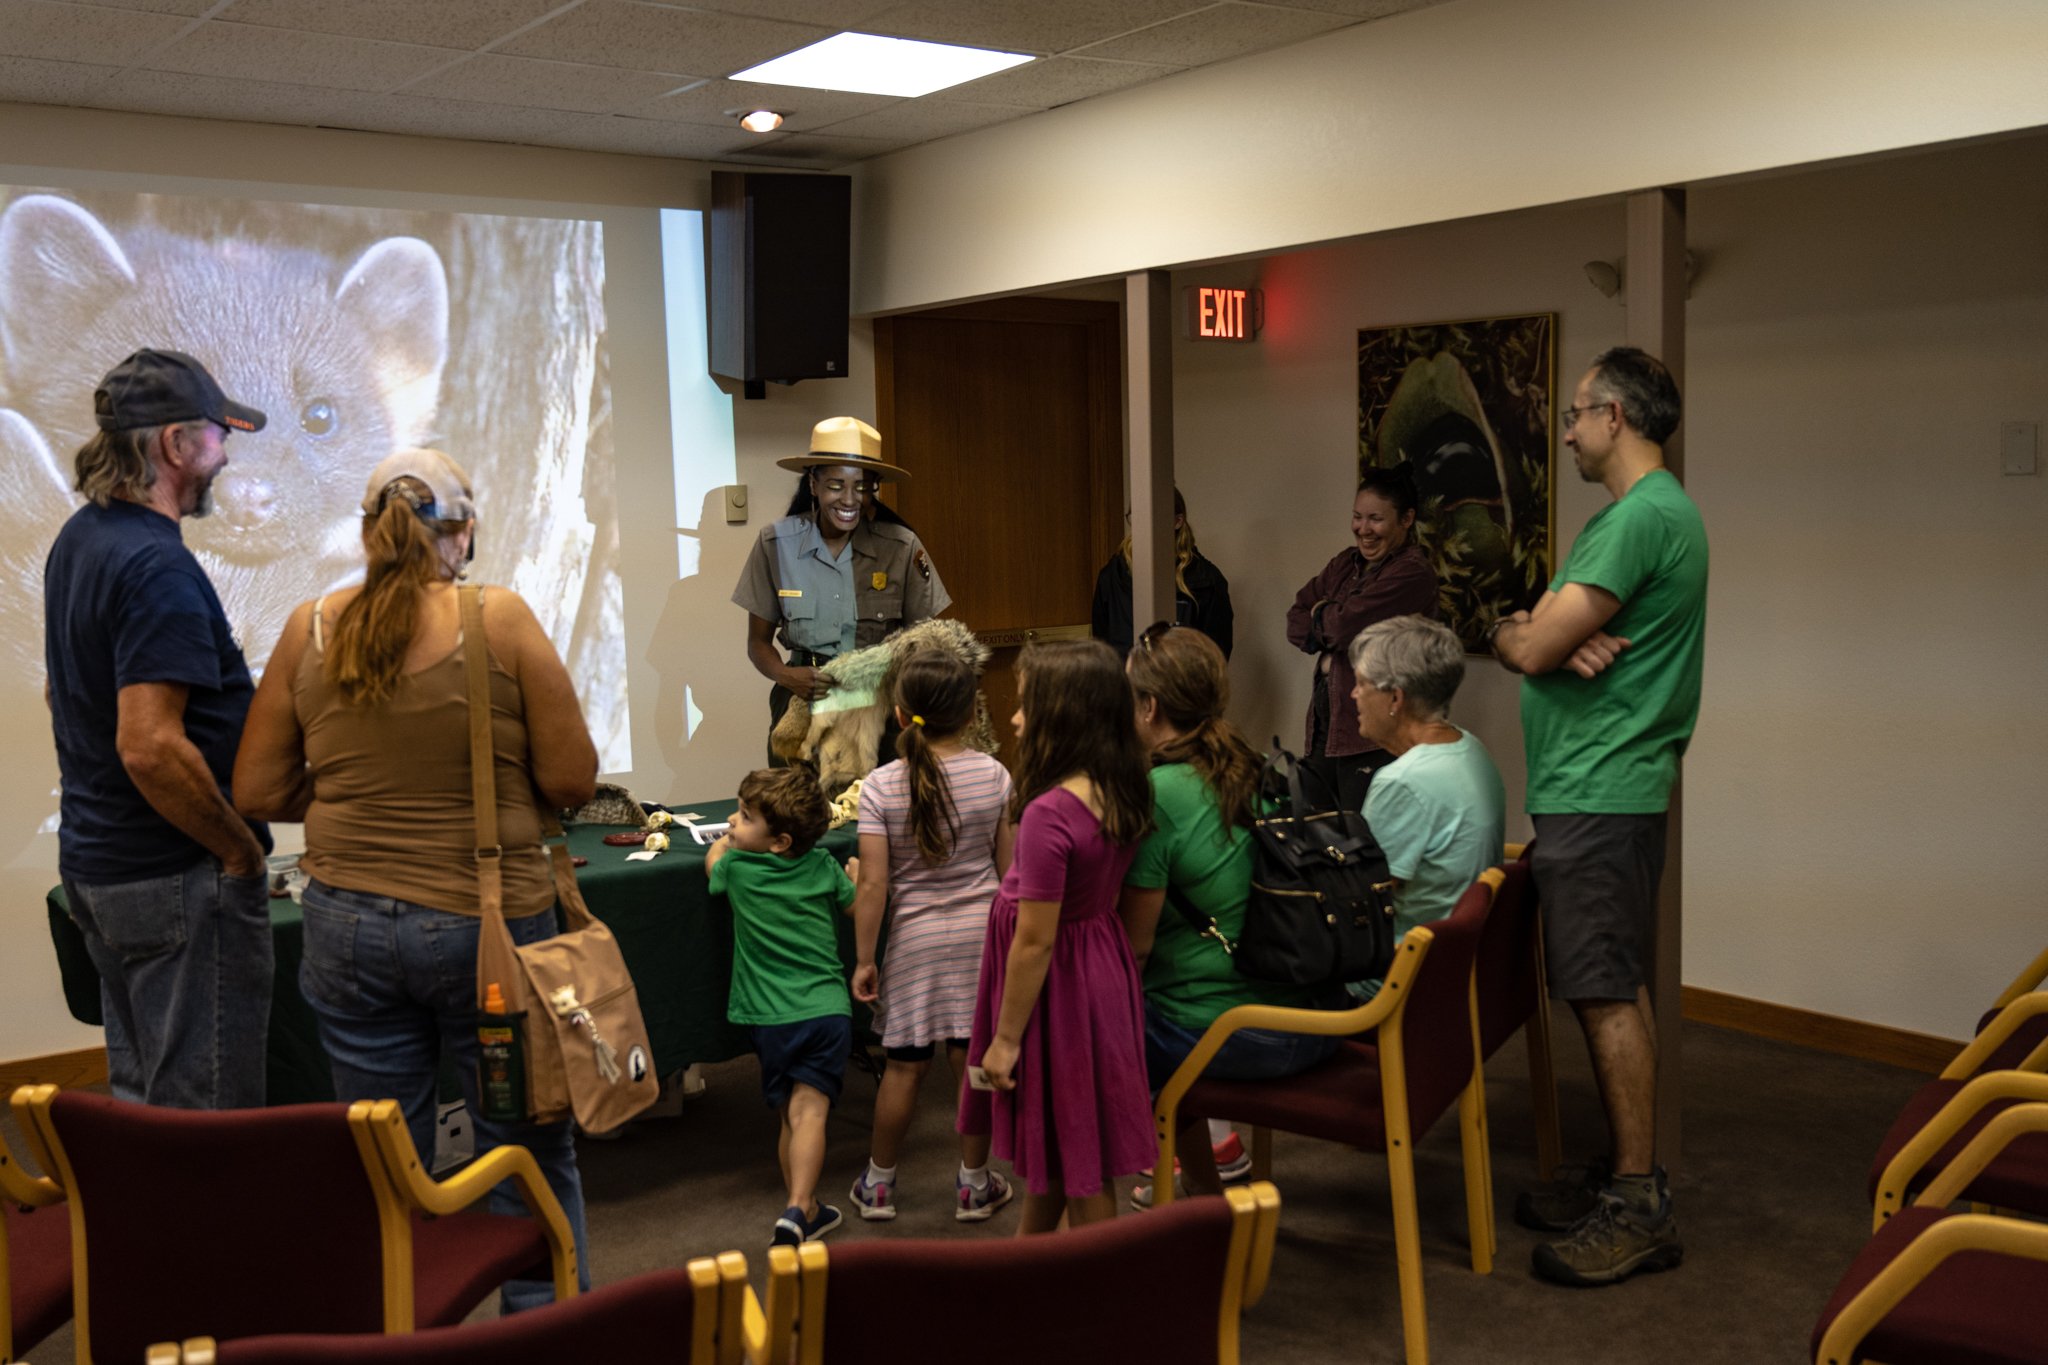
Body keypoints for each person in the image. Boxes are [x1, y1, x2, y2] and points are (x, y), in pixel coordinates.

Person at [232, 447, 597, 1310]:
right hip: (491, 932)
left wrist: (358, 791)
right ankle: (541, 1334)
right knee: (528, 1148)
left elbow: (256, 789)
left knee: (385, 1155)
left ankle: (399, 1322)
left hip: (346, 928)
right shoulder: (497, 618)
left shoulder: (310, 627)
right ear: (462, 533)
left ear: (366, 533)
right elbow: (574, 780)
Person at [1490, 346, 1706, 1288]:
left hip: (1600, 786)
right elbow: (1541, 637)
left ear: (1616, 416)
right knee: (1614, 980)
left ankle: (1637, 1201)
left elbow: (1529, 641)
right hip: (1606, 785)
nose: (1568, 430)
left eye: (1577, 414)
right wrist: (1536, 635)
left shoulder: (1637, 519)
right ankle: (1627, 1174)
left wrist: (1527, 636)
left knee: (1606, 990)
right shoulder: (1656, 516)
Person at [44, 348, 274, 1109]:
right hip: (173, 878)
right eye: (217, 435)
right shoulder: (157, 567)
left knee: (143, 1106)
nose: (226, 453)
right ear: (177, 446)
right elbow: (148, 745)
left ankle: (143, 1233)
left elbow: (60, 691)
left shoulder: (81, 540)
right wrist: (238, 850)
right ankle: (203, 1234)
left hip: (101, 867)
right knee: (203, 1118)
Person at [1118, 623, 1337, 1208]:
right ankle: (1202, 1183)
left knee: (1079, 1026)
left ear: (1149, 707)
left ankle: (1086, 1211)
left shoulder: (1159, 793)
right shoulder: (1259, 764)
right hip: (1312, 1015)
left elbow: (1132, 953)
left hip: (1235, 1036)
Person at [959, 640, 1155, 1233]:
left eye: (1024, 705)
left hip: (1056, 992)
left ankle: (1102, 1298)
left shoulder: (1049, 812)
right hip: (1099, 970)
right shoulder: (1121, 786)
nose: (1015, 718)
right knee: (1070, 1148)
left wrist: (1005, 1041)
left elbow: (1036, 941)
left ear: (1062, 715)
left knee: (1082, 1160)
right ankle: (1027, 1278)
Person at [848, 650, 1016, 1223]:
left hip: (915, 946)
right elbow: (1007, 871)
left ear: (899, 715)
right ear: (972, 714)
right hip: (981, 941)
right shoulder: (994, 775)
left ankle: (877, 1185)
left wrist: (864, 959)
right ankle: (973, 1185)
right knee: (974, 1065)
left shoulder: (878, 786)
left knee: (903, 1066)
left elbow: (872, 884)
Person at [731, 416, 950, 759]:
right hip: (800, 710)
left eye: (862, 487)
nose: (850, 500)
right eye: (835, 485)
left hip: (881, 719)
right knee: (794, 810)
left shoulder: (902, 546)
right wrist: (788, 677)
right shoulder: (776, 543)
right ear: (813, 484)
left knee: (874, 811)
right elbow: (757, 643)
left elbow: (930, 647)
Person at [704, 766, 858, 1248]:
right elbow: (857, 906)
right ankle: (800, 1205)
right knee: (809, 1111)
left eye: (744, 817)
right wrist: (857, 875)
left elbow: (711, 865)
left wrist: (722, 844)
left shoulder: (737, 869)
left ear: (779, 841)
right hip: (827, 1011)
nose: (732, 821)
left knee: (790, 1116)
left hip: (770, 1018)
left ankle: (803, 1206)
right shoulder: (825, 866)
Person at [1343, 615, 1506, 1000]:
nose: (1353, 695)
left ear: (1395, 699)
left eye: (1361, 684)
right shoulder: (1470, 749)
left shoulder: (1402, 781)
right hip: (1455, 964)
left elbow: (1362, 900)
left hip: (1394, 977)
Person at [1285, 465, 1439, 815]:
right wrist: (1329, 619)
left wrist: (1322, 615)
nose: (1363, 529)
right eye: (1357, 517)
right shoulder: (1345, 563)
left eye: (1375, 519)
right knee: (1314, 834)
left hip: (1375, 733)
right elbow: (1295, 618)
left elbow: (1340, 629)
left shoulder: (1412, 572)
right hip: (1328, 726)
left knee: (1363, 844)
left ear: (1406, 519)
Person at [1091, 489, 1234, 658]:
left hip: (1180, 681)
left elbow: (1216, 654)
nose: (1143, 526)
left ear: (1177, 521)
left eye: (1152, 517)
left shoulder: (1207, 580)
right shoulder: (1113, 575)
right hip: (1125, 680)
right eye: (1136, 517)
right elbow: (1102, 646)